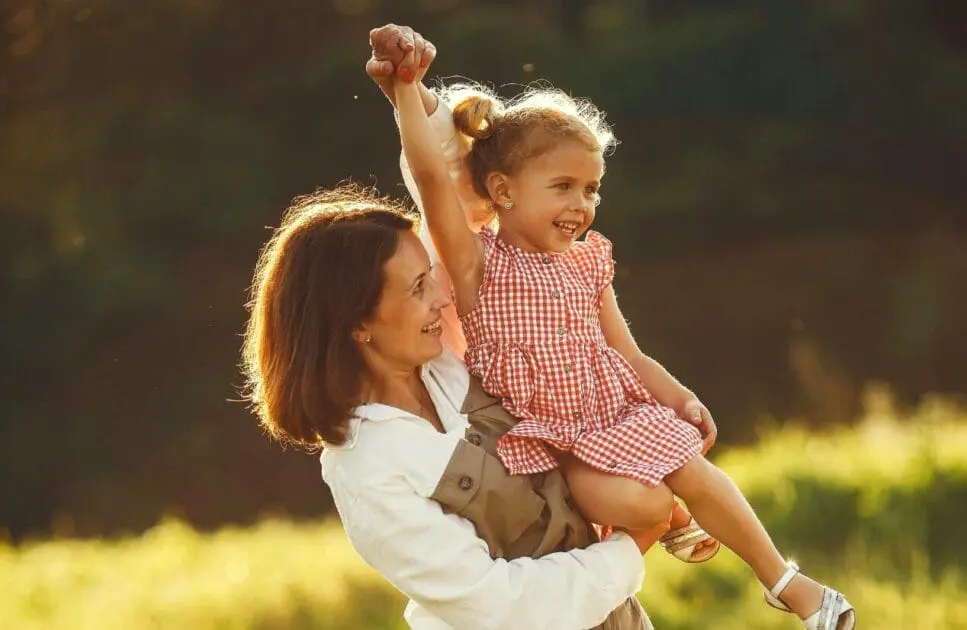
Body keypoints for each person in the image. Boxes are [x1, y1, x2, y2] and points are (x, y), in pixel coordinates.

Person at [388, 23, 856, 630]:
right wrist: (405, 92)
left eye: (591, 189)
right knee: (650, 504)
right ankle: (677, 525)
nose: (581, 205)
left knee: (695, 470)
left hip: (612, 414)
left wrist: (679, 397)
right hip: (548, 439)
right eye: (563, 187)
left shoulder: (586, 263)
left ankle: (791, 586)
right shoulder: (479, 263)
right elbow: (430, 179)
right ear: (501, 191)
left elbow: (628, 354)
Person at [240, 185, 656, 629]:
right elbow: (496, 607)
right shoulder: (367, 469)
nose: (441, 296)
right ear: (357, 322)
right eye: (418, 287)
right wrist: (635, 544)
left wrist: (421, 112)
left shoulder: (447, 366)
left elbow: (446, 181)